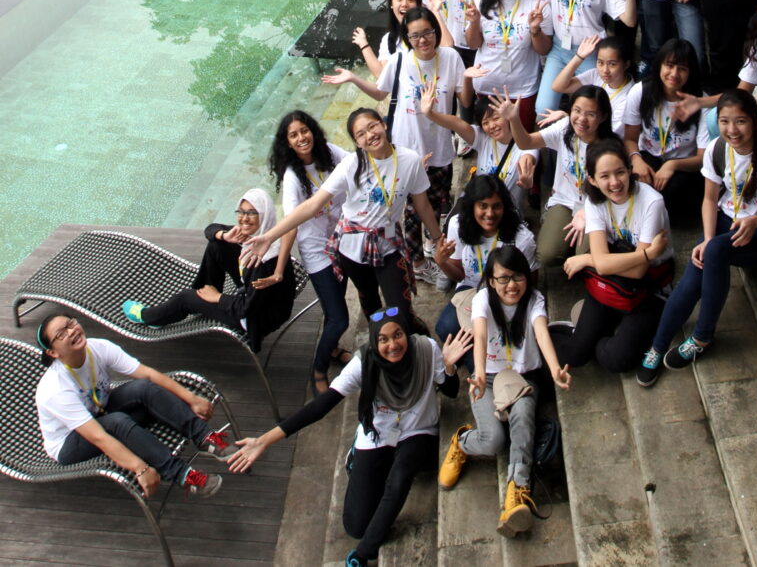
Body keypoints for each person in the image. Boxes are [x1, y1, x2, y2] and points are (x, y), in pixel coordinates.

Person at [228, 307, 472, 567]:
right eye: (383, 339)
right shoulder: (363, 363)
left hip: (417, 430)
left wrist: (447, 365)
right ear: (374, 341)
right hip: (379, 434)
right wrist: (264, 440)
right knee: (356, 525)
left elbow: (451, 391)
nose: (392, 345)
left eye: (398, 335)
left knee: (401, 475)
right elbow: (321, 406)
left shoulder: (425, 349)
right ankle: (362, 459)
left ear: (406, 333)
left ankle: (361, 555)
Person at [638, 89, 757, 382]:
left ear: (755, 121)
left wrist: (756, 220)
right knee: (692, 276)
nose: (732, 130)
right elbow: (710, 199)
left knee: (716, 252)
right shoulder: (717, 148)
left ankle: (702, 337)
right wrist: (707, 238)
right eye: (724, 121)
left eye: (740, 121)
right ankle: (657, 346)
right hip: (726, 221)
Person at [241, 107, 441, 322]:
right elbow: (312, 205)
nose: (370, 135)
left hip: (389, 241)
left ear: (383, 124)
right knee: (370, 301)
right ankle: (379, 333)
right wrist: (269, 236)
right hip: (352, 248)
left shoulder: (410, 160)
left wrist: (438, 238)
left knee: (400, 307)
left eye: (372, 126)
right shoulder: (351, 165)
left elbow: (423, 206)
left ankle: (404, 327)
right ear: (357, 142)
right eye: (361, 134)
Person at [323, 8, 465, 287]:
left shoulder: (450, 58)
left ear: (435, 31)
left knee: (435, 203)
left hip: (440, 148)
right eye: (415, 35)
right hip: (407, 149)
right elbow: (380, 92)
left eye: (428, 32)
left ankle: (434, 249)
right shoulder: (400, 60)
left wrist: (470, 78)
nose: (422, 40)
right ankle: (419, 264)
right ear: (407, 38)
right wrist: (353, 78)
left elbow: (464, 99)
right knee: (412, 212)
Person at [437, 245, 571, 538]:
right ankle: (462, 442)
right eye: (503, 279)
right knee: (494, 440)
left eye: (518, 277)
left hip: (522, 376)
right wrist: (479, 373)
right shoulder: (483, 299)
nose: (512, 285)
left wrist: (554, 369)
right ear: (491, 281)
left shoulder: (534, 299)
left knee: (523, 416)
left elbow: (541, 332)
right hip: (488, 377)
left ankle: (517, 492)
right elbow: (480, 334)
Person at [35, 313, 228, 500]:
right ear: (53, 352)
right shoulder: (56, 389)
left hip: (100, 412)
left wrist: (192, 399)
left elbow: (148, 374)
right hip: (69, 442)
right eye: (61, 334)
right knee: (117, 422)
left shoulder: (98, 348)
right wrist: (140, 468)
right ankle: (182, 475)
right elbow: (98, 436)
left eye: (70, 323)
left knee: (143, 388)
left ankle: (205, 436)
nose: (71, 331)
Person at [123, 188, 296, 351]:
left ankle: (148, 317)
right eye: (241, 212)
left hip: (256, 319)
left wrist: (217, 298)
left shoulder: (263, 260)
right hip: (254, 297)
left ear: (264, 215)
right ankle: (204, 294)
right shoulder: (262, 235)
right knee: (217, 245)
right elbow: (210, 229)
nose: (244, 218)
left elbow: (247, 308)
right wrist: (224, 236)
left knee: (184, 298)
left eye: (252, 213)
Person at [552, 139, 672, 373]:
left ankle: (602, 332)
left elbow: (638, 271)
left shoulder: (652, 202)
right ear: (592, 180)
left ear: (630, 170)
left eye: (620, 172)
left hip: (650, 288)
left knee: (615, 360)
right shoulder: (594, 201)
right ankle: (569, 331)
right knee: (574, 355)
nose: (615, 182)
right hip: (611, 281)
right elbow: (604, 265)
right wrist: (646, 253)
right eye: (604, 176)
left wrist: (590, 260)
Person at [269, 110, 351, 394]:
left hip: (343, 241)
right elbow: (291, 223)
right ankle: (318, 368)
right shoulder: (293, 176)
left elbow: (358, 164)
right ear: (287, 142)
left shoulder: (330, 153)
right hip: (317, 251)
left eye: (304, 131)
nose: (301, 138)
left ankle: (333, 348)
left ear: (313, 131)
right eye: (293, 135)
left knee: (334, 306)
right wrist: (279, 269)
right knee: (340, 318)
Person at [501, 84, 616, 266]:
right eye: (577, 111)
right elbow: (526, 142)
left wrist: (587, 212)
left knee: (585, 257)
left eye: (591, 114)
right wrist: (514, 119)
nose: (581, 119)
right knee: (546, 255)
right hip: (565, 200)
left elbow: (612, 192)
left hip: (598, 206)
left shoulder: (610, 147)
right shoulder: (564, 128)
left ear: (603, 117)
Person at [434, 174, 538, 350]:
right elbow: (459, 275)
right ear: (472, 206)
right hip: (471, 290)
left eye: (496, 206)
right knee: (446, 328)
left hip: (507, 293)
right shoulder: (457, 225)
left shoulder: (522, 238)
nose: (490, 214)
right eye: (483, 206)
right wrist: (442, 262)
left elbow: (531, 281)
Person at [464, 0, 553, 133]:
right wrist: (474, 22)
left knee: (522, 143)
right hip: (486, 87)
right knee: (493, 142)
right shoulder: (480, 1)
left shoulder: (537, 3)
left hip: (522, 90)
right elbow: (473, 44)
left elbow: (544, 50)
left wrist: (535, 30)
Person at [622, 40, 707, 221]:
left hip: (684, 164)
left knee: (674, 193)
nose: (674, 74)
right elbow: (629, 138)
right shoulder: (641, 91)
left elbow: (702, 158)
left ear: (691, 72)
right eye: (669, 66)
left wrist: (673, 165)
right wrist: (636, 160)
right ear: (659, 65)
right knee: (636, 181)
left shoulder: (700, 100)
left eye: (682, 68)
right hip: (648, 155)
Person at [418, 87, 538, 214]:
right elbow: (457, 123)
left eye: (496, 118)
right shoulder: (483, 138)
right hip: (477, 210)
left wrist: (526, 177)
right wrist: (430, 114)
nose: (492, 126)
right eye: (485, 123)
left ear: (507, 117)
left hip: (507, 214)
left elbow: (527, 158)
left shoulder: (528, 144)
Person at [552, 33, 637, 134]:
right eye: (600, 62)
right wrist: (579, 56)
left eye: (612, 64)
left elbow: (606, 134)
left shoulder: (629, 97)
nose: (605, 70)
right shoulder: (595, 74)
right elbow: (558, 86)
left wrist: (567, 118)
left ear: (626, 64)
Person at [352, 0, 422, 76]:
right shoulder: (388, 39)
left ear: (419, 5)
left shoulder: (427, 33)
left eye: (411, 0)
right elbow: (382, 75)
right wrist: (363, 44)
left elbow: (444, 47)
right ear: (391, 5)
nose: (404, 4)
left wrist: (436, 12)